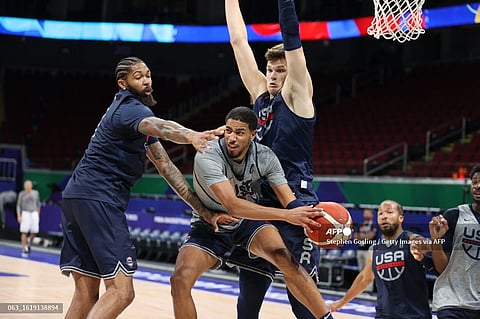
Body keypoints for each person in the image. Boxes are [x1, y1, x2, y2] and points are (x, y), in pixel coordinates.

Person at [59, 56, 226, 319]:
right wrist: (191, 135)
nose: (147, 80)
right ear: (123, 84)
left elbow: (167, 168)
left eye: (148, 74)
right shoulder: (132, 109)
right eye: (139, 77)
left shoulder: (128, 118)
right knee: (121, 292)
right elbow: (159, 126)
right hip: (99, 198)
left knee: (86, 294)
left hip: (76, 198)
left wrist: (204, 212)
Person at [170, 106, 334, 319]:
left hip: (247, 224)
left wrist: (311, 217)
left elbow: (288, 200)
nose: (232, 138)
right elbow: (232, 205)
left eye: (239, 133)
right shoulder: (207, 154)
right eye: (228, 131)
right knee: (179, 280)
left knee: (286, 260)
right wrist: (286, 215)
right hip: (210, 225)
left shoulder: (265, 156)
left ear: (253, 135)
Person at [225, 0, 321, 318]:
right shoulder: (259, 97)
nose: (273, 75)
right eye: (270, 69)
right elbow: (239, 42)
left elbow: (292, 38)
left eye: (281, 70)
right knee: (247, 299)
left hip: (295, 204)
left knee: (302, 303)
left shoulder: (299, 97)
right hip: (262, 205)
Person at [330, 200, 432, 319]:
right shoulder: (374, 249)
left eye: (389, 212)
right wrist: (342, 301)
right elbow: (364, 278)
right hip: (384, 315)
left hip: (414, 315)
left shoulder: (413, 240)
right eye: (380, 214)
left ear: (401, 218)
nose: (384, 216)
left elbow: (435, 255)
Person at [429, 163, 480, 319]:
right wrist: (436, 241)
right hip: (451, 301)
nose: (477, 186)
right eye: (474, 182)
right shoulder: (454, 215)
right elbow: (441, 267)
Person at [353, 208, 378, 292]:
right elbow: (355, 237)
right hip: (360, 250)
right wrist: (364, 236)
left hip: (369, 250)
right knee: (361, 271)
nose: (366, 214)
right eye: (365, 212)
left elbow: (371, 236)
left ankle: (368, 290)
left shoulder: (373, 225)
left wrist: (362, 236)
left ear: (371, 214)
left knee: (369, 271)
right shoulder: (360, 225)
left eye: (368, 212)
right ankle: (361, 290)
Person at [16, 180, 41, 257]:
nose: (28, 186)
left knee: (34, 231)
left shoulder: (36, 193)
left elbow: (38, 205)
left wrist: (38, 215)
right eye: (26, 185)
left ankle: (29, 244)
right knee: (24, 231)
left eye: (29, 184)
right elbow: (18, 205)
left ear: (31, 186)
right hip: (25, 213)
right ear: (24, 186)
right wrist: (19, 216)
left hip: (34, 213)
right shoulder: (22, 194)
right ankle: (24, 248)